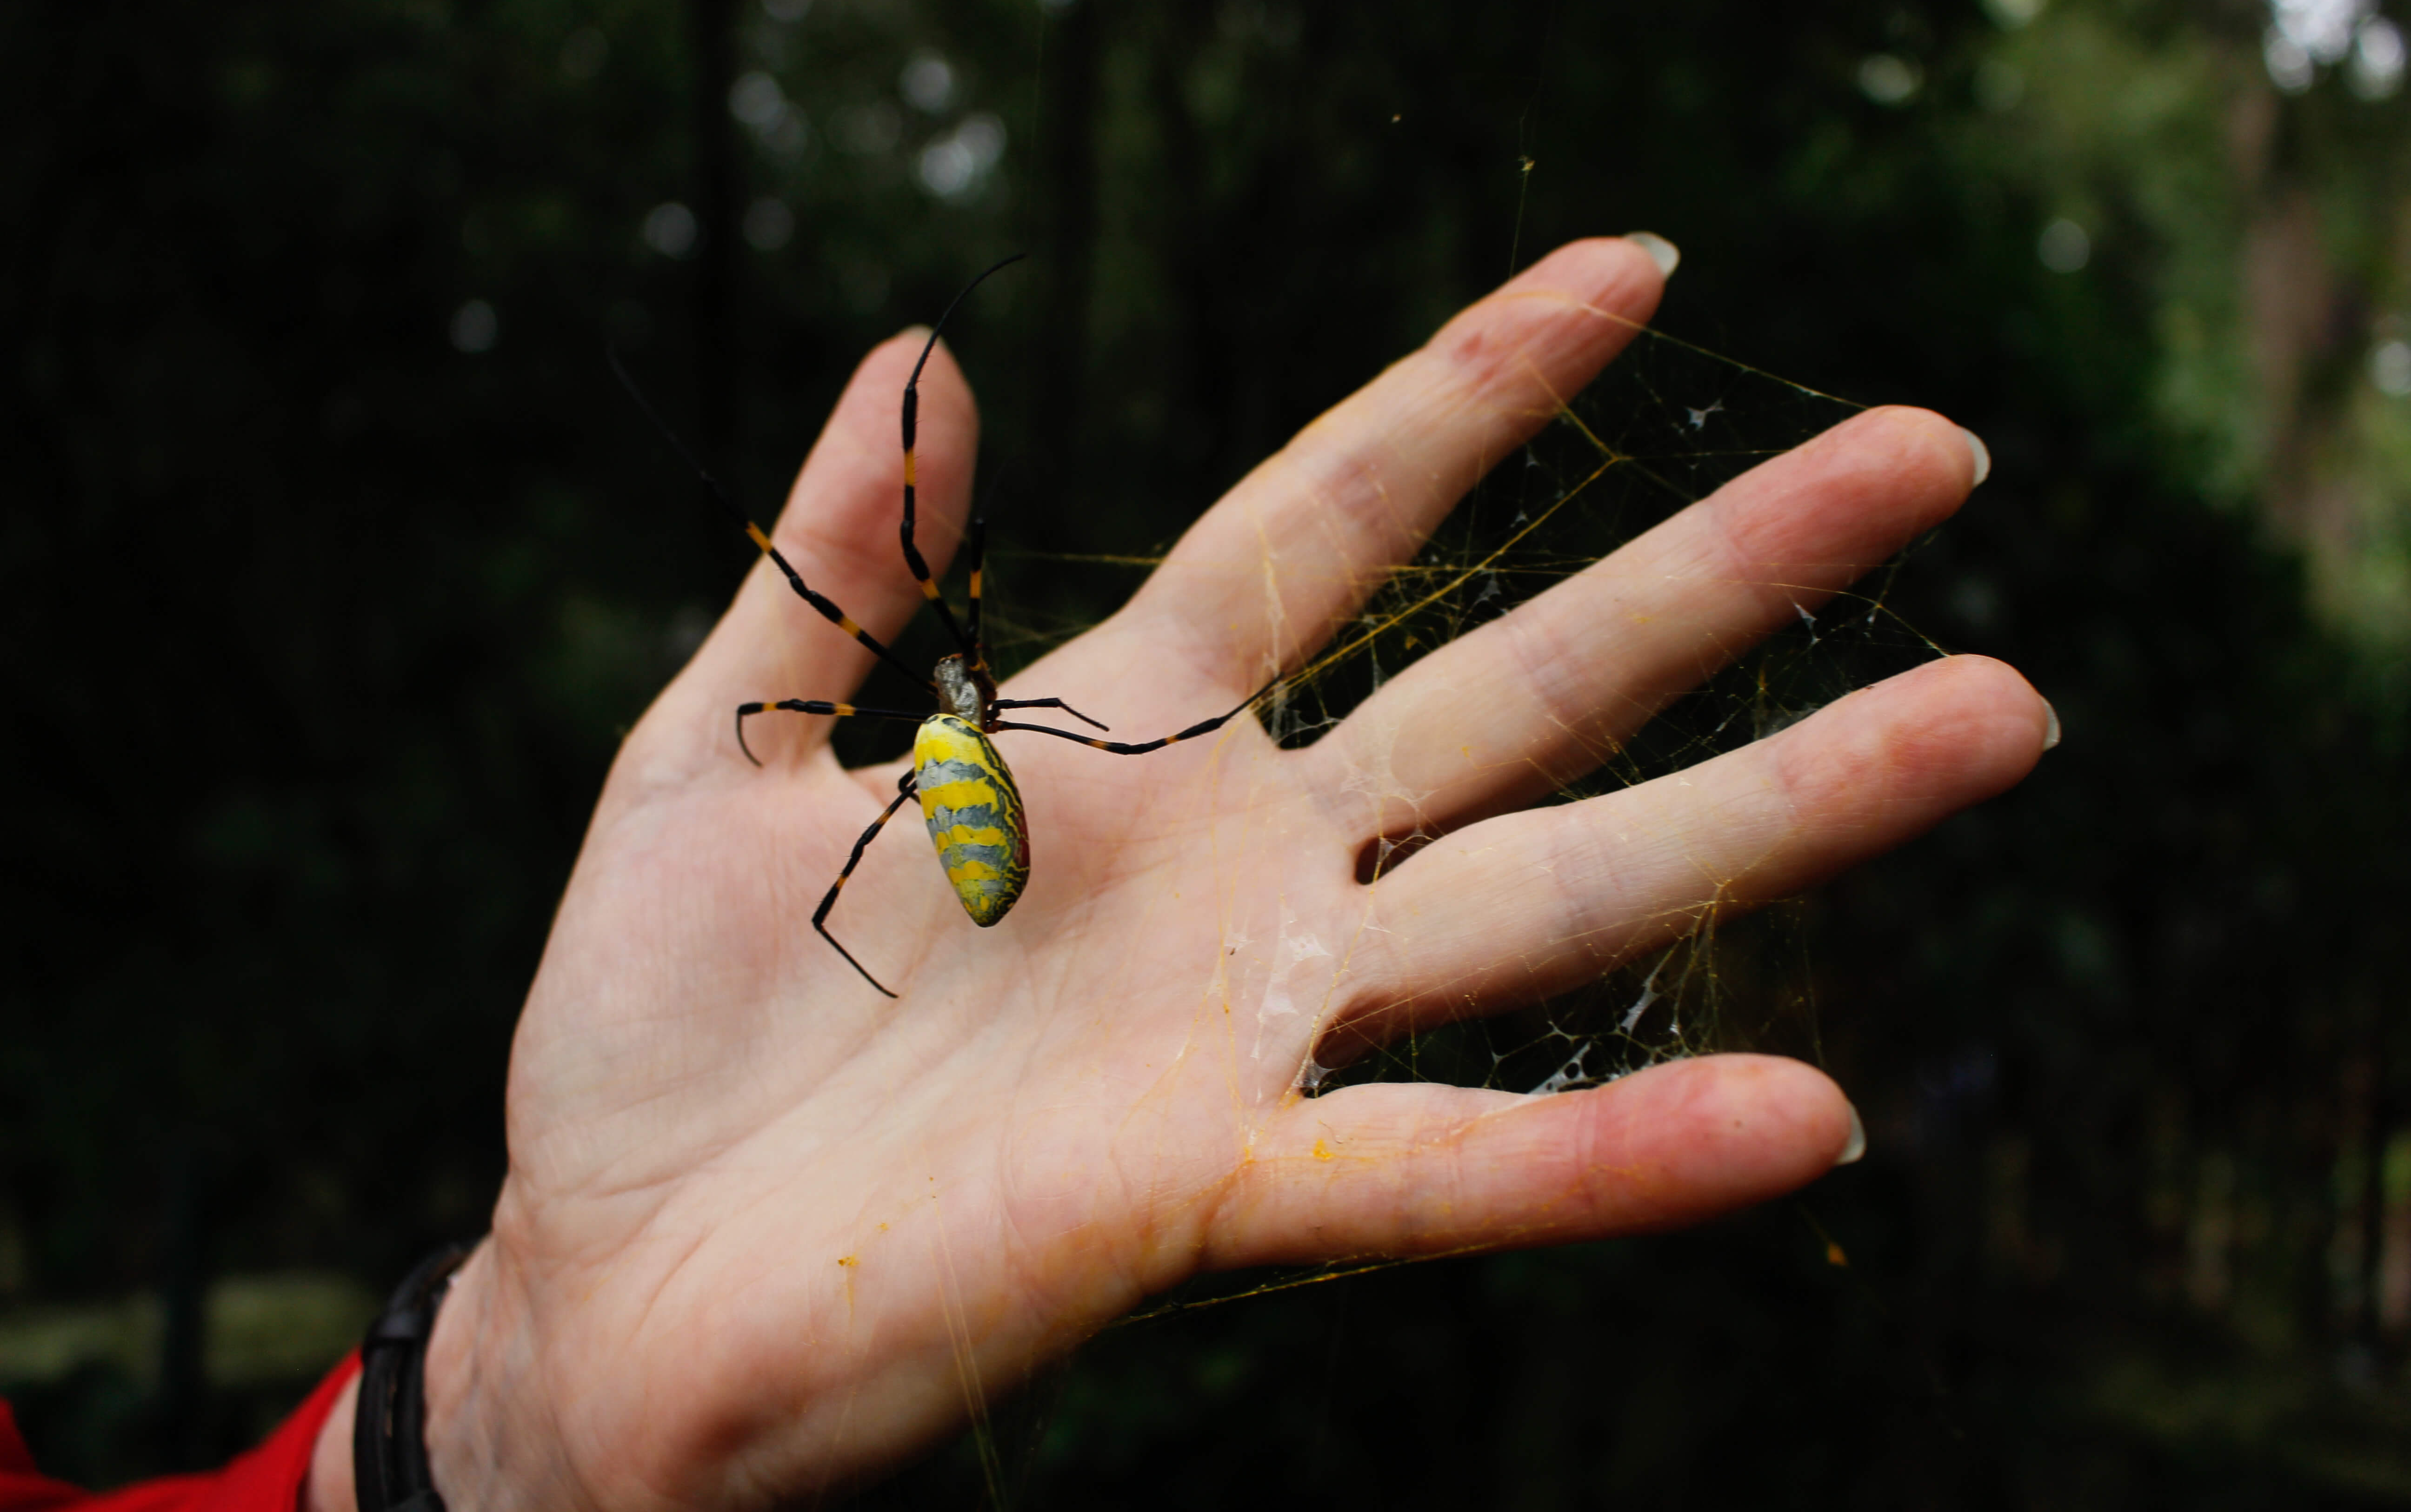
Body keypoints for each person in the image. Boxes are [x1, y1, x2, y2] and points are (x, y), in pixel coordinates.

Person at [0, 235, 2052, 1511]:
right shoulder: (981, 744)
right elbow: (1014, 741)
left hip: (959, 827)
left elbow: (1038, 748)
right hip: (972, 814)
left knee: (1014, 758)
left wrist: (493, 1451)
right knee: (1003, 750)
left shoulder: (960, 755)